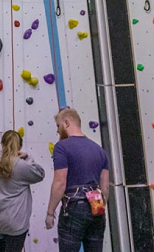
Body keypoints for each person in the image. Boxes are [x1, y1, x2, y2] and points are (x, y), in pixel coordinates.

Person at [45, 107, 110, 252]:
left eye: (58, 125)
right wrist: (100, 207)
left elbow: (60, 183)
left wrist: (50, 212)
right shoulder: (99, 150)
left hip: (75, 204)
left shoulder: (61, 147)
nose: (57, 130)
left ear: (67, 123)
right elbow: (105, 187)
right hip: (97, 205)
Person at [0, 130, 45, 252]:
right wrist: (28, 158)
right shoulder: (21, 165)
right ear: (19, 146)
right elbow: (40, 174)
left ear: (2, 143)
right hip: (16, 222)